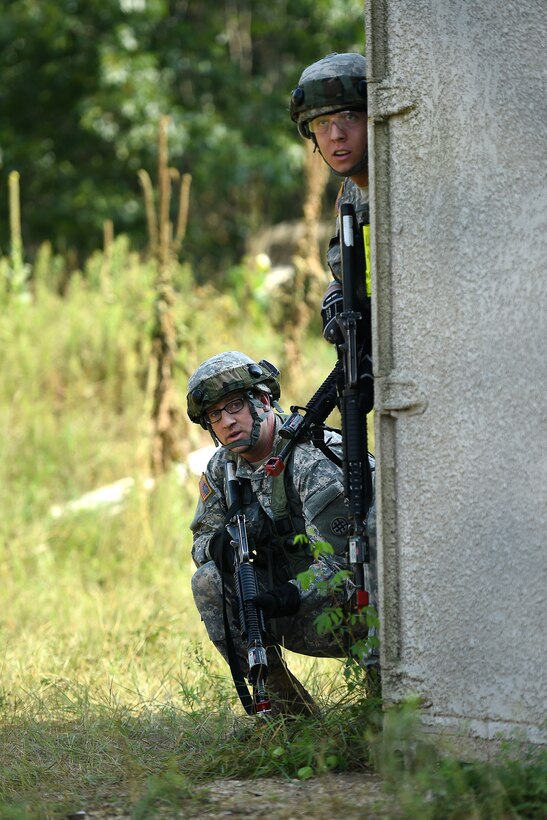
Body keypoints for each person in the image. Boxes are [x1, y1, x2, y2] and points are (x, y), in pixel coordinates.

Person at [187, 351, 376, 717]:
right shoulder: (222, 469)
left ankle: (384, 711)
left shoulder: (310, 458)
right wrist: (218, 547)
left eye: (235, 406)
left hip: (360, 611)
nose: (226, 421)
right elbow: (199, 543)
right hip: (292, 609)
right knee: (207, 580)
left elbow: (344, 565)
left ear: (263, 400)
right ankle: (289, 720)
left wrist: (284, 596)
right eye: (215, 415)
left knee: (385, 726)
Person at [290, 52, 373, 406]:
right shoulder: (349, 193)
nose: (336, 135)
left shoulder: (402, 186)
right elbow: (353, 270)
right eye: (322, 123)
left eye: (349, 117)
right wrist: (335, 294)